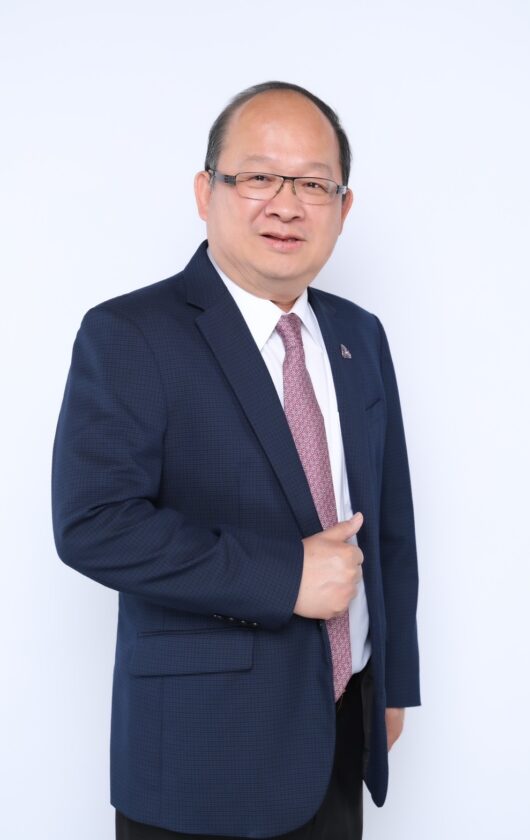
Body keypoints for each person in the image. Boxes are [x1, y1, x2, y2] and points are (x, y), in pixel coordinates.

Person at [51, 81, 421, 840]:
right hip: (200, 750)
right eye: (258, 176)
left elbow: (390, 523)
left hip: (340, 727)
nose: (287, 205)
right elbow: (94, 524)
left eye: (313, 184)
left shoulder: (359, 335)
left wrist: (393, 683)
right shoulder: (130, 333)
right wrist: (285, 577)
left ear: (343, 207)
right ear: (206, 191)